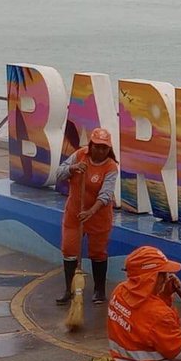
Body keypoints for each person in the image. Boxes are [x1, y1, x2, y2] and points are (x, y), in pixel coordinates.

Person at [55, 128, 117, 305]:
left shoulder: (111, 167)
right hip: (75, 213)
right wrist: (73, 168)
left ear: (109, 149)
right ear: (90, 145)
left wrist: (91, 211)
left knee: (97, 252)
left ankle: (99, 290)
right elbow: (59, 173)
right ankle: (69, 289)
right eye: (96, 146)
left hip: (97, 216)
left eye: (104, 148)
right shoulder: (80, 155)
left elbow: (106, 195)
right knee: (69, 250)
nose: (100, 151)